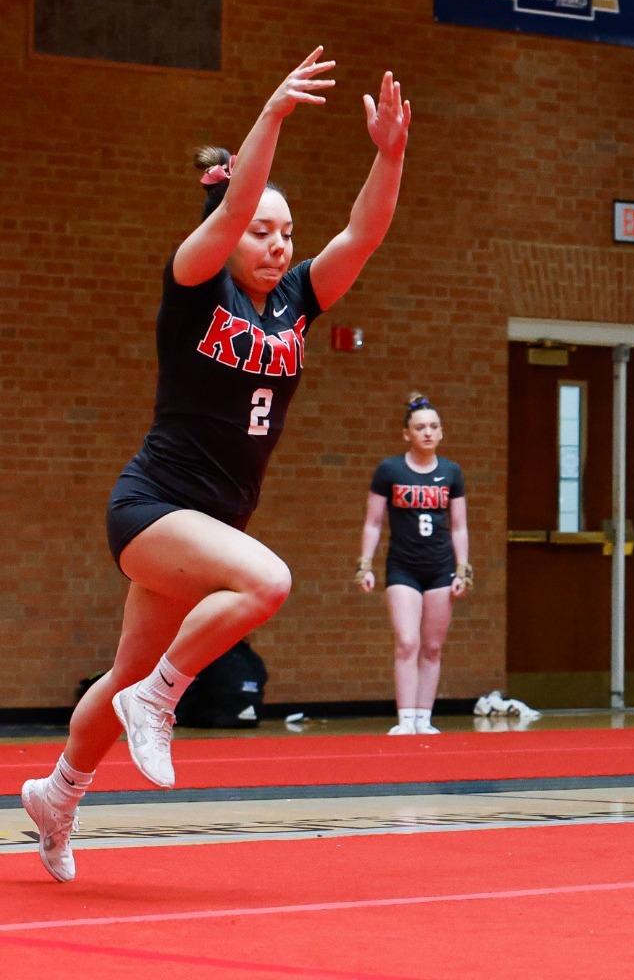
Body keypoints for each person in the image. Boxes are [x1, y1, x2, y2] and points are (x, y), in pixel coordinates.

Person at [18, 49, 411, 882]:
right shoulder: (196, 282)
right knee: (268, 583)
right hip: (153, 507)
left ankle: (58, 794)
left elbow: (364, 234)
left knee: (123, 671)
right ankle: (161, 699)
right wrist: (270, 115)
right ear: (231, 233)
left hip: (210, 523)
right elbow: (231, 214)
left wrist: (390, 155)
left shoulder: (299, 300)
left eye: (287, 234)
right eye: (263, 232)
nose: (278, 246)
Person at [357, 393, 471, 736]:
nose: (427, 433)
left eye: (434, 427)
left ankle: (425, 718)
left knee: (433, 646)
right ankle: (406, 719)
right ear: (407, 433)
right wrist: (365, 564)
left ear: (441, 433)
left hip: (440, 568)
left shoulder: (451, 472)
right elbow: (373, 522)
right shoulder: (390, 470)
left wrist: (463, 569)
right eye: (420, 427)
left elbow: (459, 525)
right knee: (407, 642)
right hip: (403, 567)